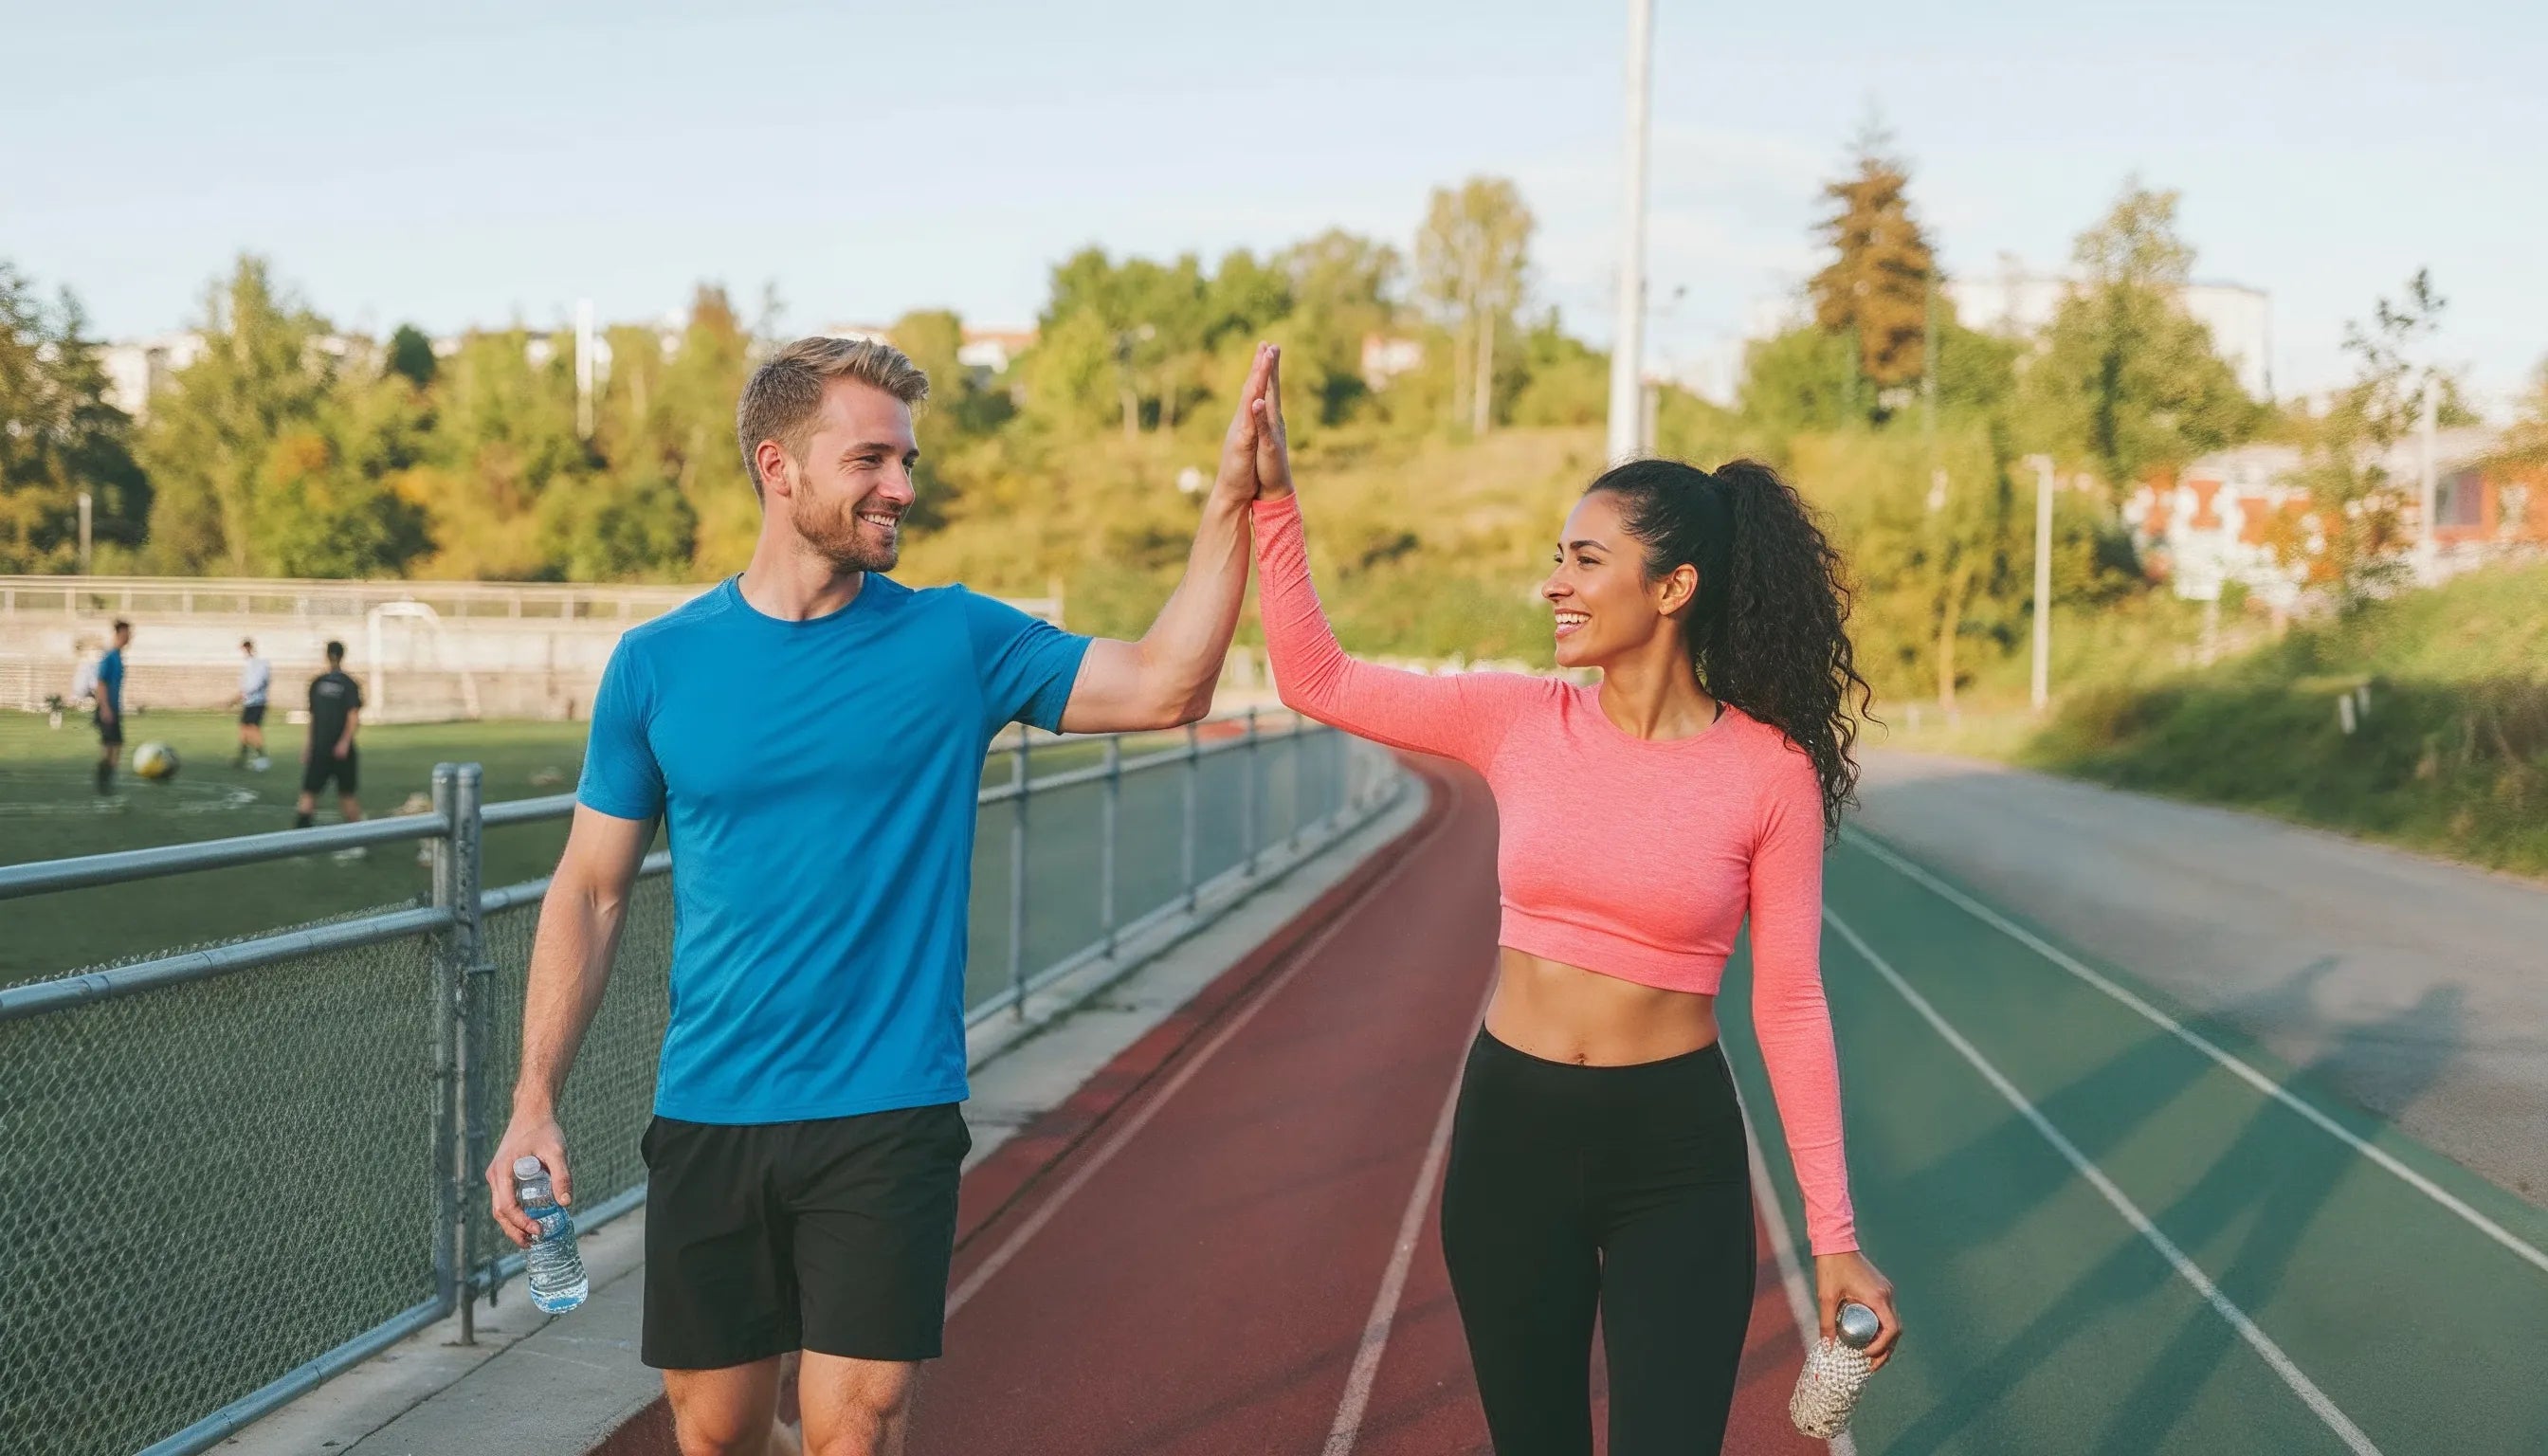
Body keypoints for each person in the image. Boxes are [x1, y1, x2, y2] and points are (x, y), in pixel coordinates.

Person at [486, 337, 1277, 1456]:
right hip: (712, 1107)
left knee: (856, 1425)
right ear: (780, 467)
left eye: (907, 460)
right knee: (711, 1432)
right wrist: (533, 1101)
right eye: (872, 460)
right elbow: (590, 894)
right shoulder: (659, 663)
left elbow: (1169, 683)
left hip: (886, 1108)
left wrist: (1231, 506)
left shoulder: (955, 638)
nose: (904, 487)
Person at [1242, 357, 1898, 1453]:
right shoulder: (1516, 718)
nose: (1555, 583)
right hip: (1514, 1136)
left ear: (1673, 587)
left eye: (1586, 560)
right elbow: (1319, 679)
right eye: (1557, 558)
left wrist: (1833, 1237)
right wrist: (1274, 500)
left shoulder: (1769, 772)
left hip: (1674, 1150)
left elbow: (1787, 1007)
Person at [294, 640, 364, 833]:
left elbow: (315, 718)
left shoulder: (317, 683)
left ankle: (300, 837)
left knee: (314, 793)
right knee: (341, 795)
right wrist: (344, 742)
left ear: (326, 655)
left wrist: (310, 746)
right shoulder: (349, 683)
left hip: (323, 747)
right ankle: (360, 837)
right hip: (335, 749)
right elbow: (353, 716)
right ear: (343, 655)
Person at [93, 619, 131, 795]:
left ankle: (106, 782)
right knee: (112, 746)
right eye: (124, 634)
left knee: (115, 745)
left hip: (113, 708)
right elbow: (100, 683)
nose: (127, 638)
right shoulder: (109, 657)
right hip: (107, 708)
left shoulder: (118, 657)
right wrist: (105, 708)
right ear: (117, 635)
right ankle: (104, 782)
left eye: (129, 635)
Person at [234, 637, 272, 771]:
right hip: (249, 702)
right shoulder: (249, 664)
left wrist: (237, 697)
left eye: (246, 648)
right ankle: (242, 757)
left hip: (257, 702)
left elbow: (255, 684)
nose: (244, 651)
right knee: (244, 728)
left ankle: (263, 758)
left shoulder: (259, 664)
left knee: (253, 729)